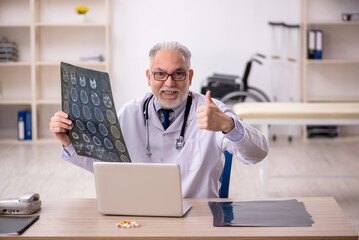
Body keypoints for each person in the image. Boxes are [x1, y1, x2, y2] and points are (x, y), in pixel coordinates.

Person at [49, 41, 268, 198]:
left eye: (178, 74)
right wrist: (68, 140)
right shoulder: (130, 112)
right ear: (148, 77)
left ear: (190, 77)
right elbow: (105, 165)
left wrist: (229, 126)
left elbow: (258, 153)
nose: (169, 83)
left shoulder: (212, 111)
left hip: (197, 218)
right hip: (141, 215)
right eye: (160, 74)